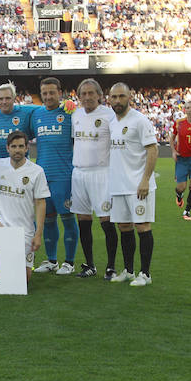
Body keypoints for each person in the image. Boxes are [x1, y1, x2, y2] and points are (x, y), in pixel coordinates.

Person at [107, 82, 158, 287]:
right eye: (114, 97)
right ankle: (128, 270)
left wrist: (145, 179)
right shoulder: (112, 122)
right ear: (109, 99)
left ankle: (145, 274)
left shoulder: (140, 120)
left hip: (138, 185)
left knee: (142, 227)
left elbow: (152, 150)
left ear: (130, 97)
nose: (117, 101)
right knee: (124, 227)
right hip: (118, 184)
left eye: (121, 96)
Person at [0, 131, 49, 281]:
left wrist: (38, 234)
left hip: (24, 229)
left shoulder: (37, 171)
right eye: (13, 146)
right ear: (7, 148)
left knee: (24, 279)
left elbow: (40, 203)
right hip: (0, 220)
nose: (17, 150)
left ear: (26, 148)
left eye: (20, 146)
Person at [70, 78, 118, 279]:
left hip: (102, 173)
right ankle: (90, 265)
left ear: (99, 95)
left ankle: (111, 266)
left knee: (106, 221)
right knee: (83, 220)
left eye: (91, 93)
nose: (87, 97)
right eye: (83, 94)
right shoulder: (76, 114)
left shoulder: (110, 115)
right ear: (79, 97)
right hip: (79, 173)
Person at [32, 77, 78, 275]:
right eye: (45, 93)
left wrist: (74, 105)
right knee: (47, 219)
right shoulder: (36, 114)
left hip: (64, 175)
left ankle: (69, 262)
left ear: (60, 92)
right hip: (42, 176)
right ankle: (52, 261)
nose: (48, 96)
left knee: (67, 217)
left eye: (52, 92)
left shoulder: (70, 113)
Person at [0, 82, 36, 160]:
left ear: (14, 98)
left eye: (8, 98)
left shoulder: (26, 112)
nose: (4, 102)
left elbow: (45, 109)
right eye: (1, 99)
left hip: (21, 167)